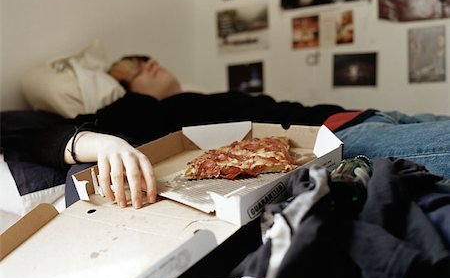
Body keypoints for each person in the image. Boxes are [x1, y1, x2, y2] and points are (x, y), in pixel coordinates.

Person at [20, 55, 450, 210]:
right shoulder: (132, 109)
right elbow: (35, 136)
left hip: (359, 115)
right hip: (334, 138)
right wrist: (95, 141)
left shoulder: (187, 98)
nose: (150, 63)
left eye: (148, 59)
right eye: (136, 67)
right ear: (123, 88)